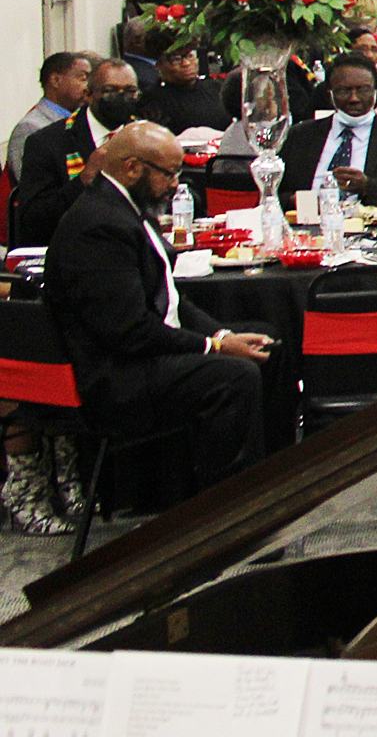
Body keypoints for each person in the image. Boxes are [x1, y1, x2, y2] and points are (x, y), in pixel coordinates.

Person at [45, 124, 271, 490]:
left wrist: (222, 334)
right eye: (169, 173)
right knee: (233, 376)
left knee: (265, 344)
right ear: (133, 167)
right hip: (114, 378)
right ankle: (228, 510)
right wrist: (212, 347)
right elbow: (129, 332)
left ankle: (270, 485)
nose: (176, 184)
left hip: (144, 357)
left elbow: (173, 300)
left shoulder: (127, 207)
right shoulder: (98, 226)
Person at [276, 54, 377, 208]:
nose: (354, 98)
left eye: (363, 90)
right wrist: (296, 201)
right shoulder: (299, 136)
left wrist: (369, 187)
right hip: (306, 227)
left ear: (376, 92)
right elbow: (272, 195)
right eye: (343, 91)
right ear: (330, 95)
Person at [12, 56, 143, 247]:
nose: (121, 98)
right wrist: (84, 180)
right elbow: (32, 220)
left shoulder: (146, 135)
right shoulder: (47, 142)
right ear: (88, 95)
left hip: (134, 243)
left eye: (130, 91)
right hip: (73, 249)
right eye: (110, 91)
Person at [12, 52, 88, 178]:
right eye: (83, 79)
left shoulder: (81, 120)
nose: (88, 87)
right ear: (56, 80)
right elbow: (29, 186)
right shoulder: (30, 128)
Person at [138, 36, 234, 134]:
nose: (186, 63)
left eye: (190, 56)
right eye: (176, 59)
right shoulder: (152, 99)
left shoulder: (217, 88)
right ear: (159, 64)